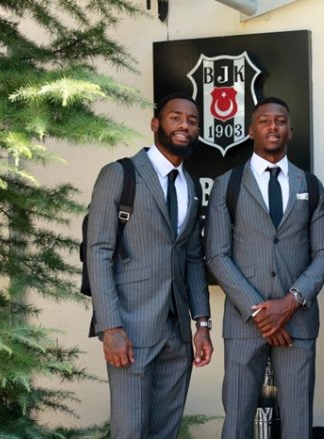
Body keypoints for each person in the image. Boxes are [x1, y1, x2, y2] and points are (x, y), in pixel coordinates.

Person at [87, 93, 213, 438]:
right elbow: (98, 251)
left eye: (192, 120)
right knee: (130, 430)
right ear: (156, 124)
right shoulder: (120, 174)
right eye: (176, 117)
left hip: (177, 333)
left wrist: (202, 324)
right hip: (131, 327)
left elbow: (192, 258)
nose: (184, 125)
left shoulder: (191, 185)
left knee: (165, 431)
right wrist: (110, 327)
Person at [206, 97, 324, 439]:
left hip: (297, 322)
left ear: (290, 131)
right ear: (250, 130)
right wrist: (261, 313)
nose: (273, 126)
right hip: (245, 324)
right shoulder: (227, 185)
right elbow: (216, 254)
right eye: (264, 121)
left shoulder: (311, 185)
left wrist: (290, 302)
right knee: (237, 421)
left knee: (298, 422)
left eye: (280, 121)